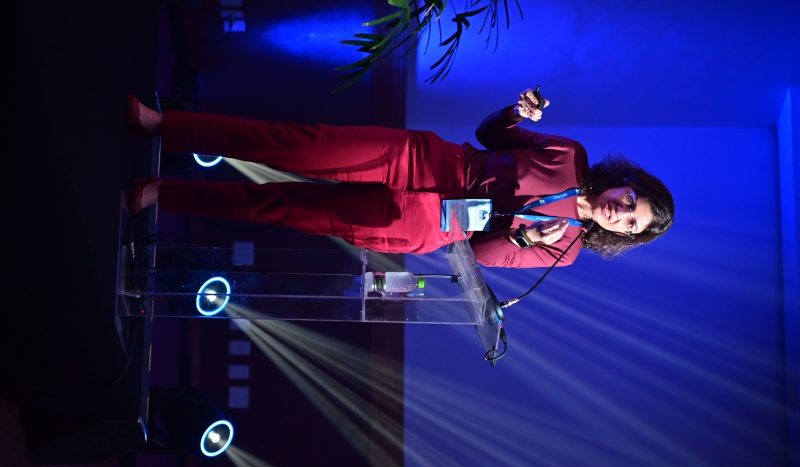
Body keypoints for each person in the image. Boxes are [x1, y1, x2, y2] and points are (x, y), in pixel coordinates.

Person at [127, 90, 674, 268]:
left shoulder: (566, 250)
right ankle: (166, 126)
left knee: (283, 207)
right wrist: (514, 113)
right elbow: (489, 135)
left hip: (425, 222)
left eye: (630, 223)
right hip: (427, 161)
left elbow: (482, 254)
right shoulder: (570, 154)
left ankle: (163, 193)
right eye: (631, 201)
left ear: (622, 237)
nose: (621, 212)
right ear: (625, 182)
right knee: (295, 143)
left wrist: (524, 239)